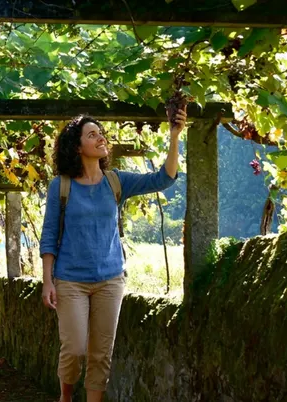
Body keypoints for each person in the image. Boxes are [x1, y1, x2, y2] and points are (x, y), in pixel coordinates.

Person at [39, 107, 186, 402]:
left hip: (110, 280)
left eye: (101, 133)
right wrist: (47, 281)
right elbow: (49, 237)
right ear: (78, 146)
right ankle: (65, 397)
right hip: (70, 280)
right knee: (75, 349)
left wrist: (174, 136)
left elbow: (165, 178)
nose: (100, 137)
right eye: (92, 134)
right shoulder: (62, 186)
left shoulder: (115, 181)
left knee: (101, 353)